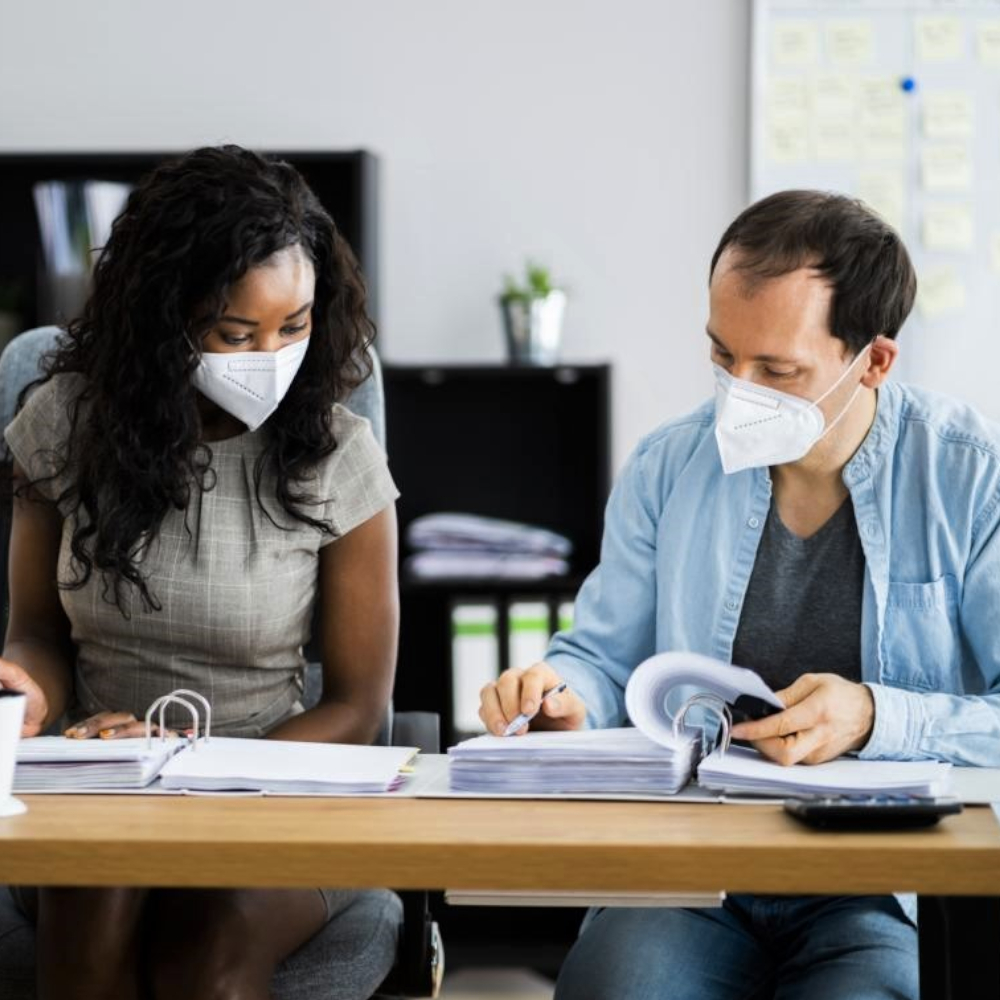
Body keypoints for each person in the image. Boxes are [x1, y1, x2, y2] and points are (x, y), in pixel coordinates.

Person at [480, 189, 1000, 999]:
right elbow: (601, 658)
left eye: (777, 370)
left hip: (878, 883)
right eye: (723, 357)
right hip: (696, 865)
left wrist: (874, 715)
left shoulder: (964, 475)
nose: (739, 390)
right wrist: (563, 693)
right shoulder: (667, 464)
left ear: (875, 360)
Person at [0, 145, 401, 1000]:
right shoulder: (63, 426)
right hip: (96, 783)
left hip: (276, 790)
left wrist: (190, 761)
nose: (272, 354)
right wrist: (26, 697)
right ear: (167, 315)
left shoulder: (338, 457)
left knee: (204, 961)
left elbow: (359, 706)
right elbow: (34, 633)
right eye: (235, 333)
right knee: (92, 904)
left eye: (293, 326)